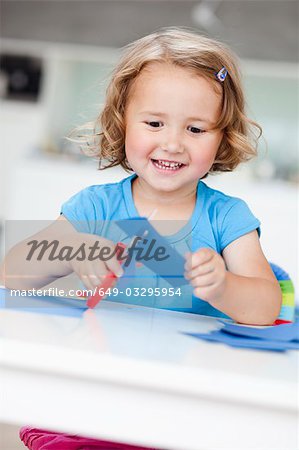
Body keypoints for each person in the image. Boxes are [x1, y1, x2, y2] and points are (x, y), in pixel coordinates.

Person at [1, 27, 282, 449]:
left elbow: (265, 307)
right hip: (97, 392)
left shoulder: (227, 218)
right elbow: (12, 274)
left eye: (196, 129)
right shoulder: (95, 209)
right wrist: (74, 250)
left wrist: (224, 286)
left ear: (223, 136)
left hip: (187, 402)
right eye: (154, 123)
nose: (172, 143)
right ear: (122, 122)